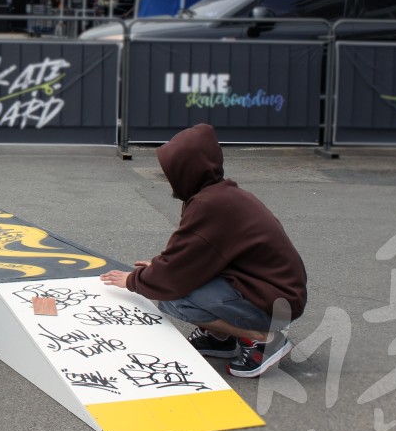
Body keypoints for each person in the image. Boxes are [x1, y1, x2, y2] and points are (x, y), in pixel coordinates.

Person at [100, 124, 307, 378]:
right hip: (276, 294)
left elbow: (175, 276)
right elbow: (194, 255)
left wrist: (133, 280)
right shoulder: (219, 195)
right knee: (172, 284)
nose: (168, 177)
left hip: (273, 302)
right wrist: (158, 266)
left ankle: (262, 340)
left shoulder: (210, 205)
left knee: (173, 298)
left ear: (187, 169)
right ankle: (219, 338)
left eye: (172, 170)